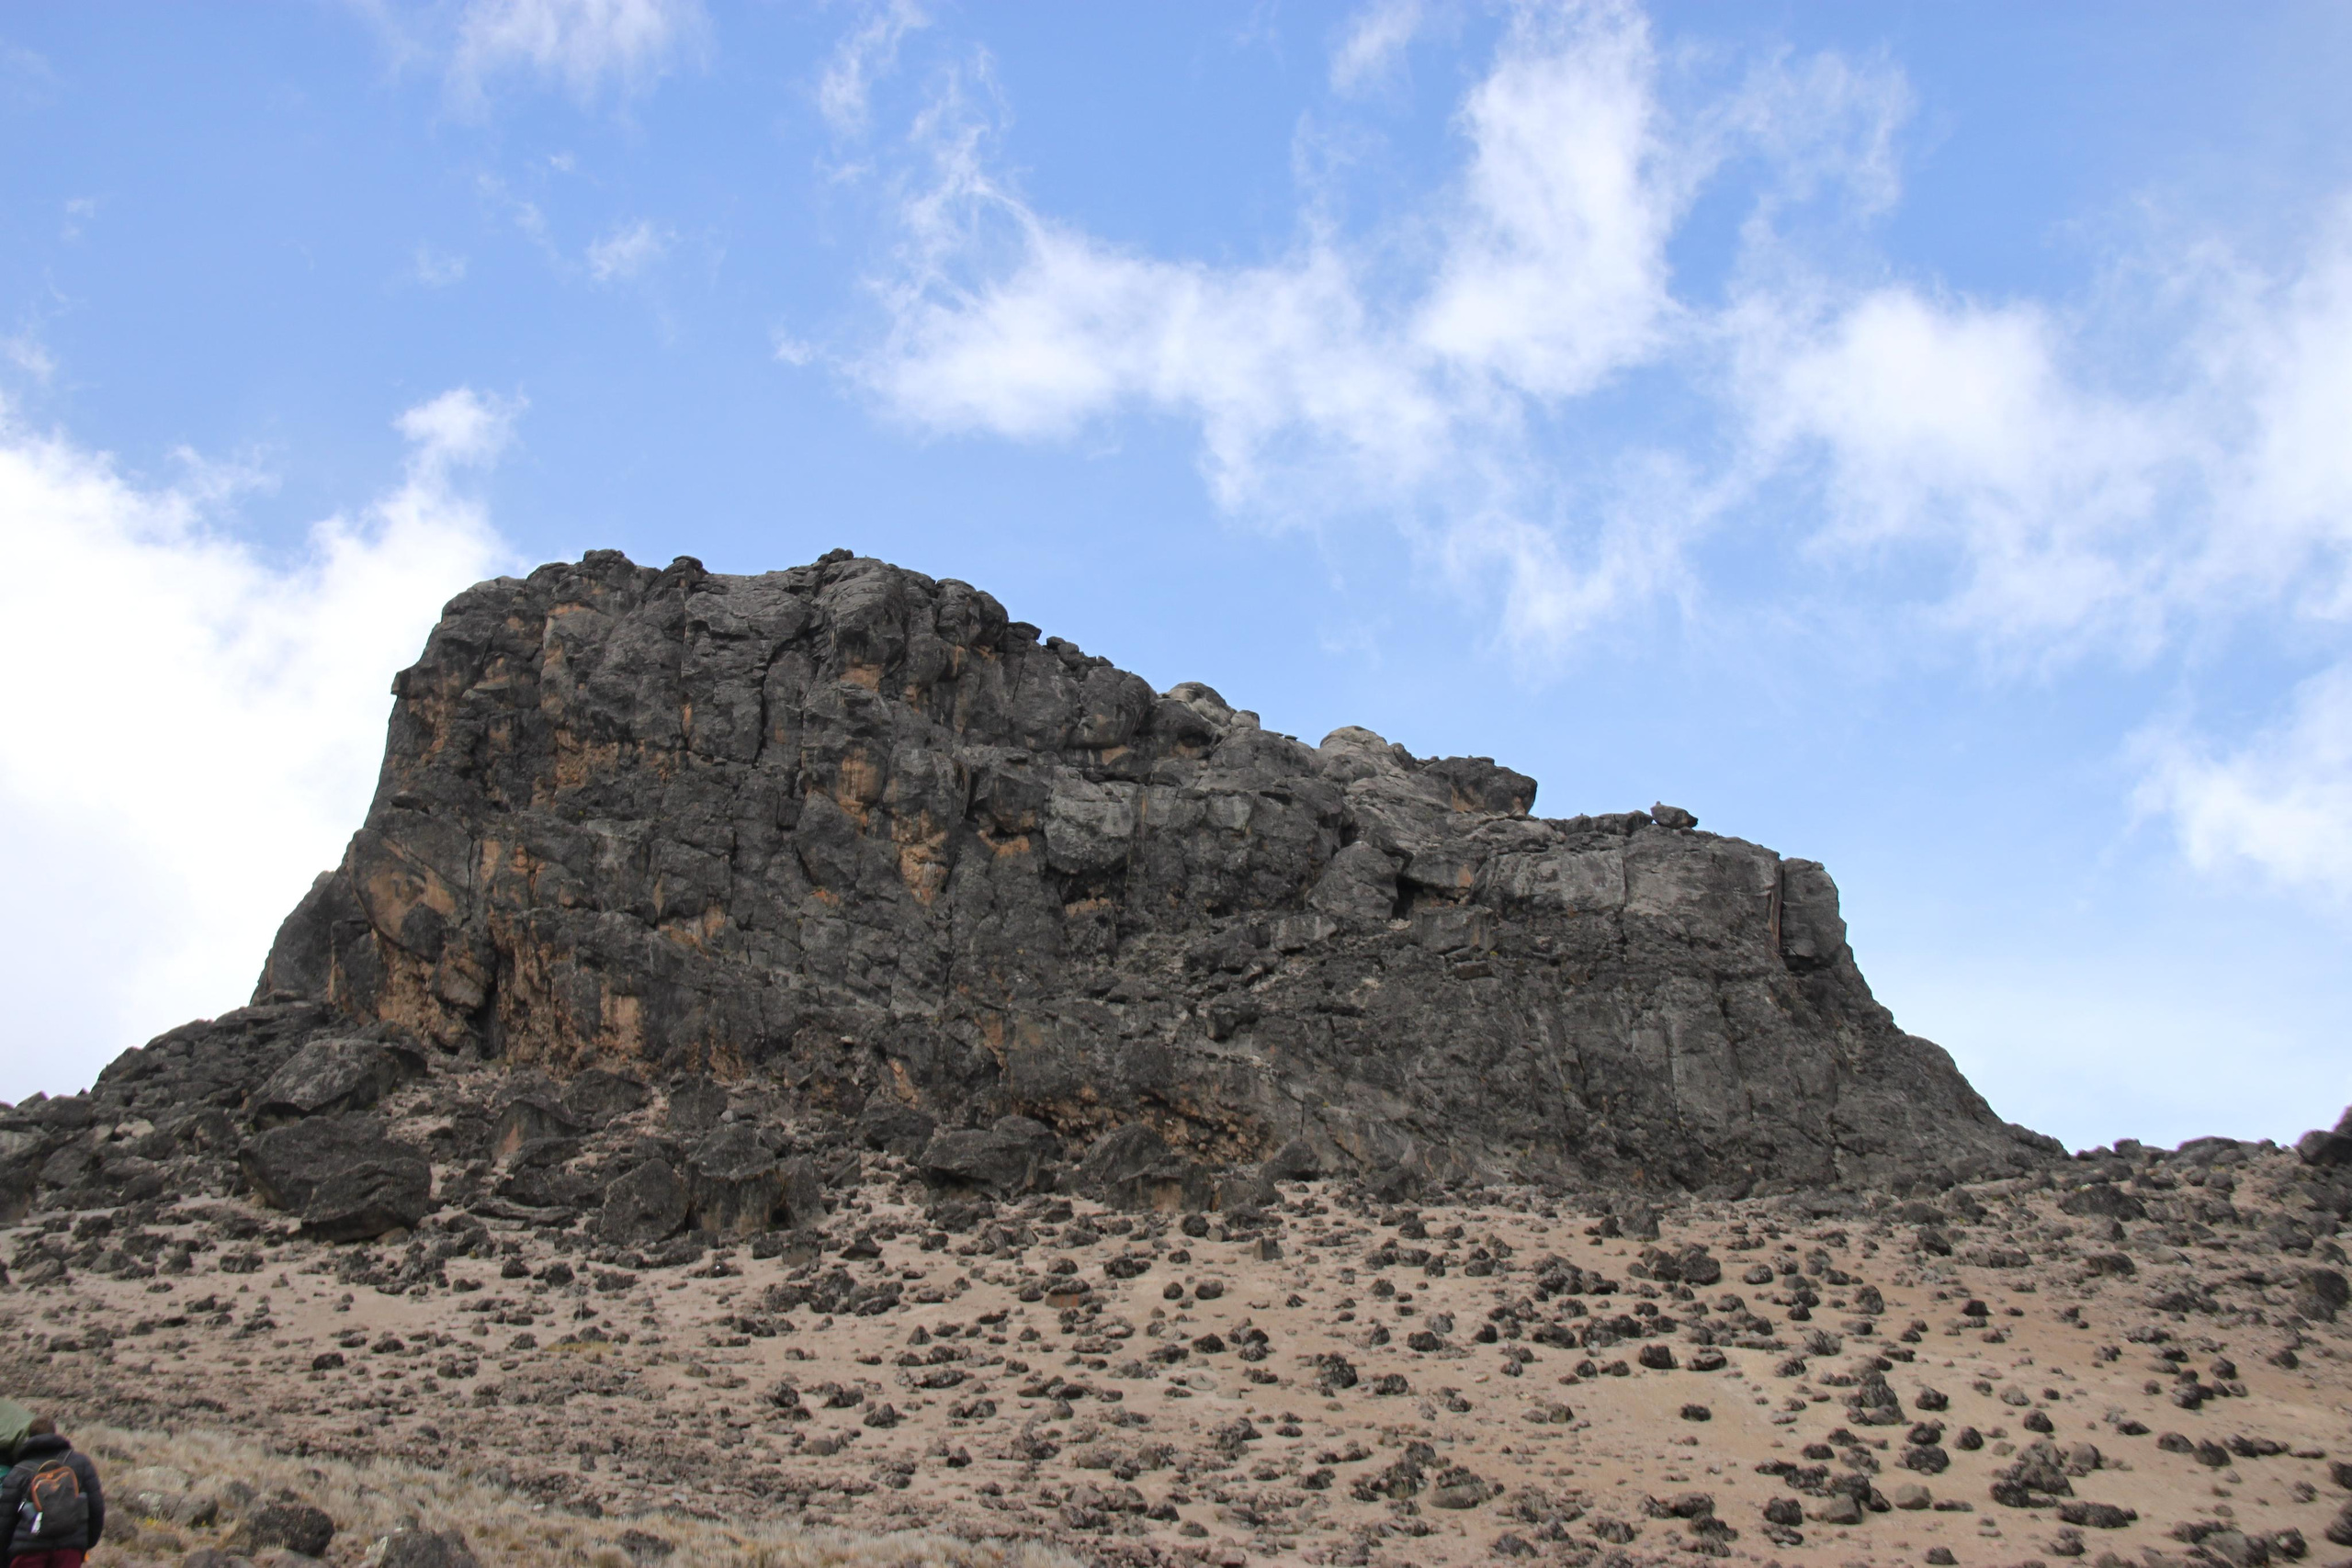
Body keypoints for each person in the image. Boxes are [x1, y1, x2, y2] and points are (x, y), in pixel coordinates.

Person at [0, 1417, 103, 1568]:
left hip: (29, 1550)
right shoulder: (81, 1463)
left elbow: (6, 1520)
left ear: (29, 1437)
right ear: (55, 1433)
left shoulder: (19, 1471)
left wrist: (4, 1559)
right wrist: (86, 1543)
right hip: (70, 1549)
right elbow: (96, 1508)